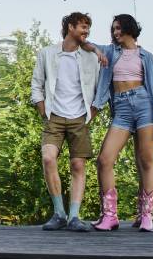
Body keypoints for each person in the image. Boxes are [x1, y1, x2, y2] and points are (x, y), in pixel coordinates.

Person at [89, 14, 153, 232]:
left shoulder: (147, 57)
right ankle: (110, 216)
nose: (115, 33)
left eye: (119, 29)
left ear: (129, 29)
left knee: (146, 160)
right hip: (121, 109)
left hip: (145, 106)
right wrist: (96, 51)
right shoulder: (111, 51)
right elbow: (86, 43)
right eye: (113, 29)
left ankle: (146, 216)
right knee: (104, 159)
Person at [30, 12, 101, 232]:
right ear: (70, 27)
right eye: (82, 27)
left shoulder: (91, 57)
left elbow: (99, 88)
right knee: (48, 159)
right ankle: (59, 213)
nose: (86, 32)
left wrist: (92, 112)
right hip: (54, 117)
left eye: (88, 28)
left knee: (77, 165)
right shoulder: (47, 53)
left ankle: (74, 216)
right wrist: (43, 110)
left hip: (79, 117)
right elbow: (36, 84)